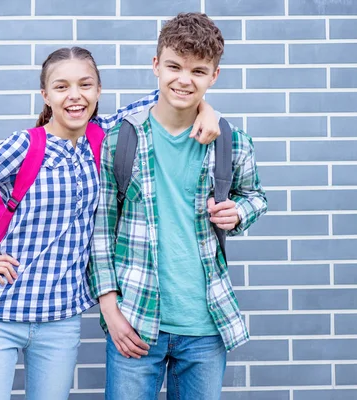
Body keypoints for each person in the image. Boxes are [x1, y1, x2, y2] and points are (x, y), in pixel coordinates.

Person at [0, 46, 220, 400]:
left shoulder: (103, 135)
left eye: (85, 85)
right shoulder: (24, 146)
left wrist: (207, 108)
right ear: (45, 95)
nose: (75, 96)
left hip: (60, 321)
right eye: (61, 87)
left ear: (98, 91)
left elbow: (172, 93)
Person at [89, 13, 268, 400]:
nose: (184, 79)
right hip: (135, 319)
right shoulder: (121, 139)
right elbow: (101, 231)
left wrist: (238, 213)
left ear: (214, 76)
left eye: (198, 71)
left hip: (205, 325)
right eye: (174, 66)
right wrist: (110, 311)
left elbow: (256, 197)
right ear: (155, 65)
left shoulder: (231, 142)